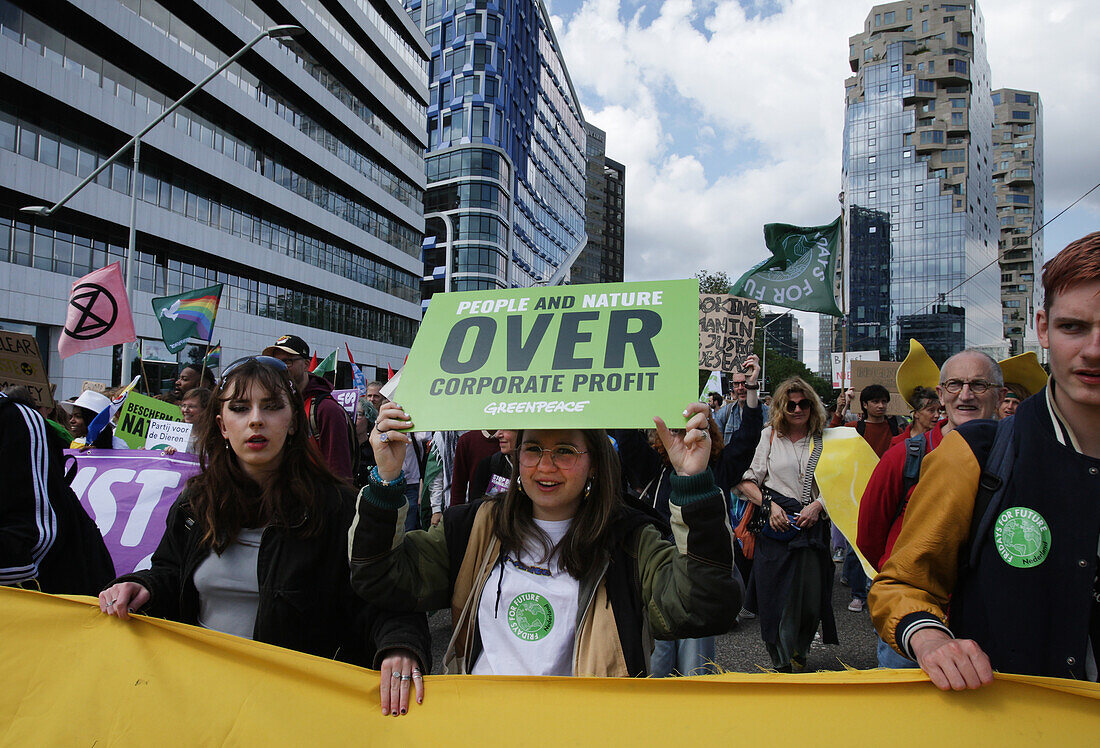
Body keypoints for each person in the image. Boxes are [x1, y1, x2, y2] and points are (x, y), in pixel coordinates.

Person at [98, 356, 430, 715]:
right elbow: (170, 571)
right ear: (222, 425)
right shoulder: (196, 502)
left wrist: (400, 645)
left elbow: (383, 591)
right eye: (240, 408)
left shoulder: (336, 507)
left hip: (295, 709)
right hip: (199, 701)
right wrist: (142, 585)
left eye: (271, 407)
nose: (255, 419)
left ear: (291, 423)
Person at [349, 401, 741, 677]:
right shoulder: (474, 526)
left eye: (565, 451)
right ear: (517, 458)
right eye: (533, 449)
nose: (546, 466)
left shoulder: (630, 540)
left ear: (594, 463)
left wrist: (692, 484)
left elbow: (703, 605)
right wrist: (386, 482)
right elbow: (379, 576)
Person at [870, 233, 1100, 688]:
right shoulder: (974, 453)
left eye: (979, 385)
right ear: (1043, 326)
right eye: (1074, 327)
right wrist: (930, 636)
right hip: (1010, 721)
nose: (1093, 350)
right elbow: (900, 581)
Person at [736, 377, 837, 672]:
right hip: (776, 530)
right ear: (780, 407)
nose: (797, 409)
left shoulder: (825, 439)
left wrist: (819, 507)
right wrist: (770, 507)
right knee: (775, 597)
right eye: (790, 404)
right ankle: (779, 660)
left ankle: (800, 650)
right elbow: (747, 480)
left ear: (812, 405)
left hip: (812, 531)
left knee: (807, 599)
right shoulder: (769, 436)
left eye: (803, 403)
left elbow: (840, 486)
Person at [1, 392, 115, 594]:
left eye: (79, 416)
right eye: (72, 415)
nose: (72, 420)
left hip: (43, 594)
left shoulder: (14, 418)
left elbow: (36, 531)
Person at [829, 384, 900, 612]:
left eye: (884, 401)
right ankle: (858, 593)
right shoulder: (856, 427)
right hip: (858, 493)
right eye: (876, 402)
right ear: (866, 405)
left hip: (887, 494)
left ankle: (877, 591)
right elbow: (831, 434)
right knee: (857, 545)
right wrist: (841, 408)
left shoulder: (895, 428)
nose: (881, 406)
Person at [262, 334, 353, 481]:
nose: (280, 368)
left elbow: (340, 474)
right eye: (275, 363)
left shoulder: (326, 409)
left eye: (287, 361)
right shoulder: (271, 406)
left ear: (306, 364)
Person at [713, 355, 765, 446]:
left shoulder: (768, 414)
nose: (741, 388)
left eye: (744, 383)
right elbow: (716, 446)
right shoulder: (724, 414)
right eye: (736, 384)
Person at [59, 390, 126, 449]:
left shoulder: (119, 446)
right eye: (71, 416)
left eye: (78, 416)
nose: (72, 421)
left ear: (92, 419)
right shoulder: (77, 444)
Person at [450, 429, 500, 505]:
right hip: (476, 508)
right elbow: (458, 484)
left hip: (507, 508)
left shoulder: (511, 440)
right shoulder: (466, 440)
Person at [468, 430, 518, 501]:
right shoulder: (487, 465)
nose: (497, 435)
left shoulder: (535, 468)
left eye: (506, 428)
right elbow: (476, 506)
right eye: (498, 428)